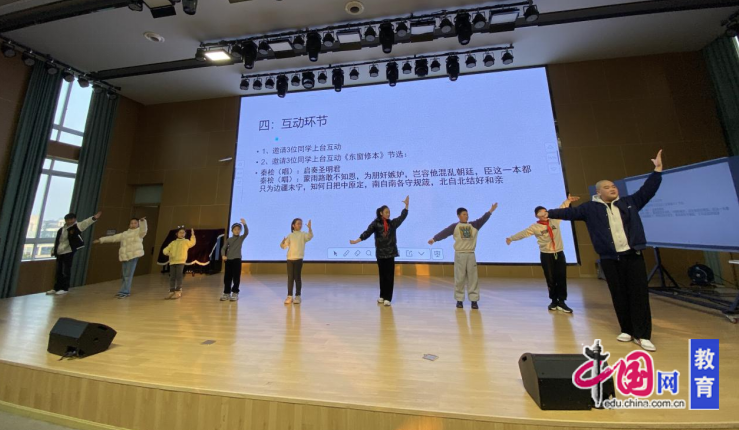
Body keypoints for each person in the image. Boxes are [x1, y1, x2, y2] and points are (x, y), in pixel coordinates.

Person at [547, 150, 663, 352]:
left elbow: (648, 191)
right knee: (618, 294)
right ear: (598, 192)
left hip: (633, 256)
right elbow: (569, 213)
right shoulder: (590, 208)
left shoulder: (629, 203)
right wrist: (548, 213)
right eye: (607, 187)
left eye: (614, 186)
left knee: (639, 295)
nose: (612, 189)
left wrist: (657, 171)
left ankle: (643, 335)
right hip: (610, 258)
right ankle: (626, 329)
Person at [506, 196, 580, 313]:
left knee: (561, 277)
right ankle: (554, 301)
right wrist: (511, 238)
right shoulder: (535, 227)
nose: (544, 213)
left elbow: (561, 209)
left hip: (559, 253)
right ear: (536, 216)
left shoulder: (554, 220)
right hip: (546, 255)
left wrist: (568, 201)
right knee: (550, 278)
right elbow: (523, 233)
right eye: (541, 212)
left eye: (545, 211)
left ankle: (562, 302)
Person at [428, 203, 497, 309]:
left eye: (467, 214)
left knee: (473, 278)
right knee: (459, 278)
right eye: (464, 214)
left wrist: (490, 211)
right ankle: (459, 300)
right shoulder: (455, 226)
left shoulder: (474, 225)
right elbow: (445, 232)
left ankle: (474, 300)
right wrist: (434, 239)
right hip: (459, 254)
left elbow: (483, 219)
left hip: (470, 254)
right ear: (459, 216)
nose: (466, 216)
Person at [350, 196, 409, 307]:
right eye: (386, 212)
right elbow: (367, 233)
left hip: (390, 253)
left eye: (389, 212)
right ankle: (382, 295)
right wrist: (357, 241)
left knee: (389, 276)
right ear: (381, 213)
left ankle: (388, 298)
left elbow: (402, 217)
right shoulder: (375, 223)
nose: (388, 214)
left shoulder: (392, 223)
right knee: (382, 275)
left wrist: (406, 206)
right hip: (380, 254)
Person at [46, 211, 102, 296]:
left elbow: (85, 223)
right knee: (58, 270)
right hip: (60, 251)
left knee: (66, 270)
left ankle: (64, 288)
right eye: (67, 220)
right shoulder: (61, 229)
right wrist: (54, 250)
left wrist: (94, 218)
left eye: (71, 219)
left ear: (74, 219)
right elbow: (58, 241)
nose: (69, 221)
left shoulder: (76, 227)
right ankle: (56, 287)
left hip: (68, 251)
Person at [93, 217, 148, 299]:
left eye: (135, 223)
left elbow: (144, 230)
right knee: (124, 275)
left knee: (128, 275)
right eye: (131, 223)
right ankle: (123, 291)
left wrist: (143, 222)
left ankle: (125, 292)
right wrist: (101, 240)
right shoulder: (124, 234)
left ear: (138, 224)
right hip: (124, 256)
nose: (133, 224)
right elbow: (113, 238)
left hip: (133, 256)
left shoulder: (139, 232)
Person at [280, 218, 313, 304]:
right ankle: (289, 296)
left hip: (298, 259)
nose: (300, 225)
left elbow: (310, 237)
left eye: (301, 224)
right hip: (290, 259)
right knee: (290, 278)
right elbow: (283, 246)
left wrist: (309, 228)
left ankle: (298, 296)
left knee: (297, 278)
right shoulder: (290, 235)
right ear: (293, 225)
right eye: (298, 223)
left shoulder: (303, 234)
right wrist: (282, 242)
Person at [162, 227, 196, 299]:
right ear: (177, 234)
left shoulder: (186, 241)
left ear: (185, 234)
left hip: (180, 261)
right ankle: (171, 291)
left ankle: (178, 291)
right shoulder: (173, 243)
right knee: (172, 277)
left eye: (183, 233)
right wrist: (168, 253)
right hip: (172, 261)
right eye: (180, 232)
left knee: (179, 276)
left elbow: (192, 243)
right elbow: (165, 250)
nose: (182, 234)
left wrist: (193, 235)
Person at [221, 218, 248, 302]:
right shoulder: (229, 239)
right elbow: (223, 248)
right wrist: (223, 255)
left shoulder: (241, 238)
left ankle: (235, 292)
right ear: (232, 230)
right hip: (228, 260)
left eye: (238, 229)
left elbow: (246, 233)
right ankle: (226, 293)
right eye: (235, 229)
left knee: (236, 277)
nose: (237, 231)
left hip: (237, 259)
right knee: (227, 277)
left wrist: (244, 224)